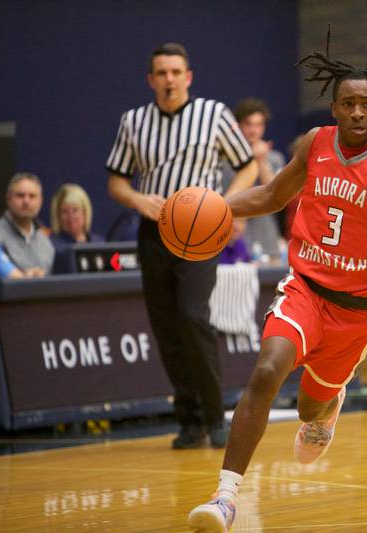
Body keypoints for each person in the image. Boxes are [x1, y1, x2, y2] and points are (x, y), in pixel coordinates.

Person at [186, 48, 367, 532]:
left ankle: (327, 410)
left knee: (310, 403)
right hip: (305, 289)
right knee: (267, 371)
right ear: (333, 108)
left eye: (366, 105)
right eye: (347, 103)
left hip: (356, 314)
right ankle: (225, 498)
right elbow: (272, 195)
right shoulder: (315, 143)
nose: (356, 112)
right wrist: (217, 208)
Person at [105, 42, 258, 450]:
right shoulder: (133, 121)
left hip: (199, 232)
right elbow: (116, 181)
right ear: (151, 79)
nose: (169, 79)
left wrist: (223, 204)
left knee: (193, 317)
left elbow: (249, 165)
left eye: (176, 72)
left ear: (187, 77)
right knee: (166, 327)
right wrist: (138, 199)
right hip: (153, 232)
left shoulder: (214, 114)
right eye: (161, 73)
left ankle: (215, 414)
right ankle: (189, 421)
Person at [225, 98, 286, 261]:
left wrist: (261, 162)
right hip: (235, 239)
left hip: (267, 238)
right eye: (248, 124)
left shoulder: (274, 158)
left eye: (259, 124)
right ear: (237, 126)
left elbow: (278, 194)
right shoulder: (225, 159)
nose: (254, 130)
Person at [0, 172, 53, 276]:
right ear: (8, 199)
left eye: (32, 196)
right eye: (20, 195)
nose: (26, 201)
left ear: (40, 201)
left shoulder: (45, 241)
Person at [49, 183, 105, 252]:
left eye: (75, 210)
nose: (70, 216)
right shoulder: (50, 246)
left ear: (85, 212)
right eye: (64, 211)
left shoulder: (100, 244)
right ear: (57, 216)